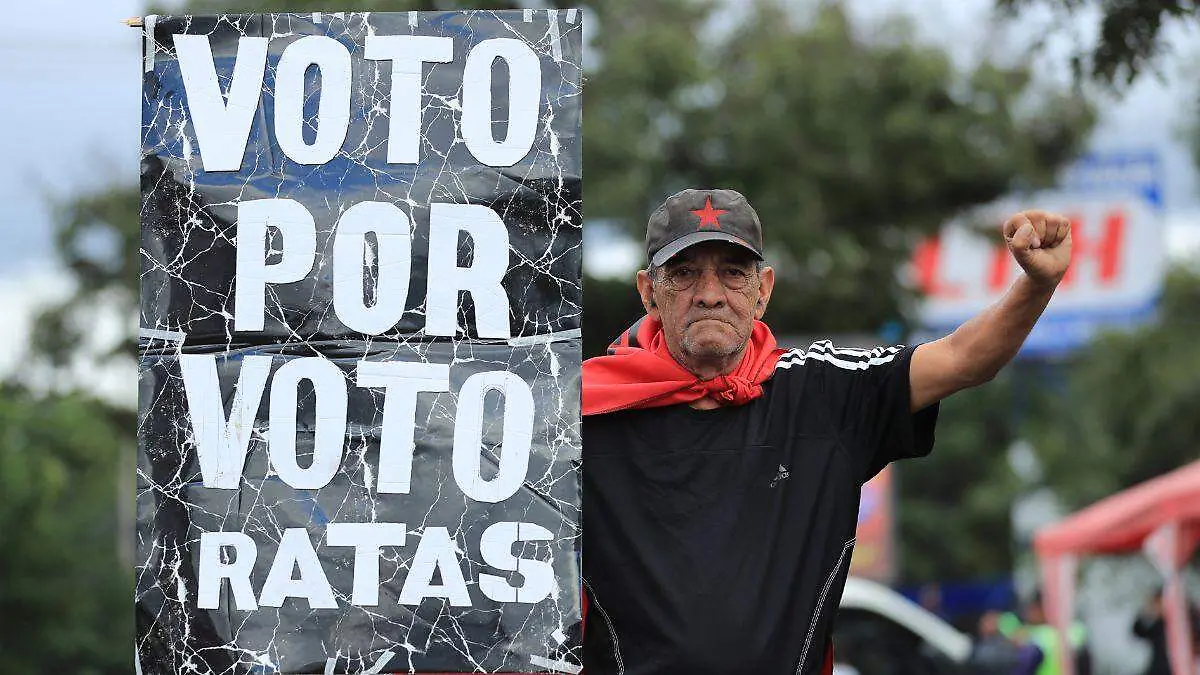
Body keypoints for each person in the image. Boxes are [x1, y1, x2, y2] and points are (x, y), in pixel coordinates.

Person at [580, 188, 1072, 674]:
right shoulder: (579, 415)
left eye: (732, 273)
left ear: (763, 290)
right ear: (648, 292)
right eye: (685, 274)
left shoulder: (822, 392)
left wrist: (1035, 285)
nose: (710, 293)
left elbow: (963, 360)